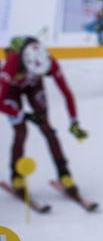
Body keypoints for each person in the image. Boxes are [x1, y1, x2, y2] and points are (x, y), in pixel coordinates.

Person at [3, 39, 87, 201]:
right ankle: (16, 176)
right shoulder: (12, 65)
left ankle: (64, 174)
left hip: (33, 87)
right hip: (12, 89)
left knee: (47, 128)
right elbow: (0, 100)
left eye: (42, 73)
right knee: (21, 131)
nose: (39, 74)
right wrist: (23, 114)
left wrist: (74, 121)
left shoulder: (49, 61)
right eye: (36, 72)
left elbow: (66, 92)